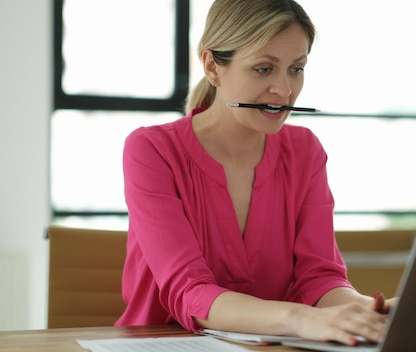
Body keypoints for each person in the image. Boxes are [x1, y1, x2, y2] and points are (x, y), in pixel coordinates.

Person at [115, 0, 394, 346]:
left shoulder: (305, 152)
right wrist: (300, 318)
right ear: (212, 66)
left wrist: (364, 311)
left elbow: (319, 278)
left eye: (296, 68)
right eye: (264, 69)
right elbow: (189, 291)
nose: (285, 90)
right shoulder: (152, 151)